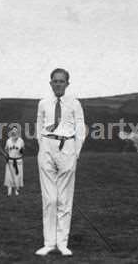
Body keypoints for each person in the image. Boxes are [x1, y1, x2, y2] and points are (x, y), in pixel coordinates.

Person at [35, 68, 86, 256]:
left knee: (64, 199)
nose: (58, 84)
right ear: (50, 83)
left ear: (67, 83)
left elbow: (80, 127)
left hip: (68, 147)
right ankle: (49, 243)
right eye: (55, 81)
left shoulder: (74, 103)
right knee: (50, 199)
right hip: (47, 146)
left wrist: (76, 151)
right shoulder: (43, 103)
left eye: (61, 81)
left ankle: (62, 243)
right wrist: (43, 145)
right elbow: (39, 124)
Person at [4, 126, 25, 196]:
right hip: (10, 161)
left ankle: (17, 191)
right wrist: (6, 156)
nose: (14, 132)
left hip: (18, 161)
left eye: (16, 130)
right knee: (9, 176)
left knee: (18, 176)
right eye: (13, 131)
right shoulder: (8, 140)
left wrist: (22, 150)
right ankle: (9, 191)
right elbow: (6, 150)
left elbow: (22, 151)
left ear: (18, 132)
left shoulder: (21, 141)